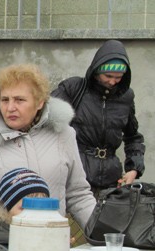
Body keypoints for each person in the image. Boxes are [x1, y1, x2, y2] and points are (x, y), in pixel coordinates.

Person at [0, 64, 96, 239]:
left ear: (39, 102)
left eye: (19, 100)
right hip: (2, 246)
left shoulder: (64, 135)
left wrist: (103, 235)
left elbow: (79, 195)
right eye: (4, 100)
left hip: (52, 243)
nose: (10, 108)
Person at [51, 40, 145, 194]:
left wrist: (134, 169)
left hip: (111, 183)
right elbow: (46, 121)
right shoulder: (73, 88)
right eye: (108, 75)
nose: (112, 82)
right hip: (75, 177)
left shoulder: (126, 97)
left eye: (118, 77)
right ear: (96, 70)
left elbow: (133, 137)